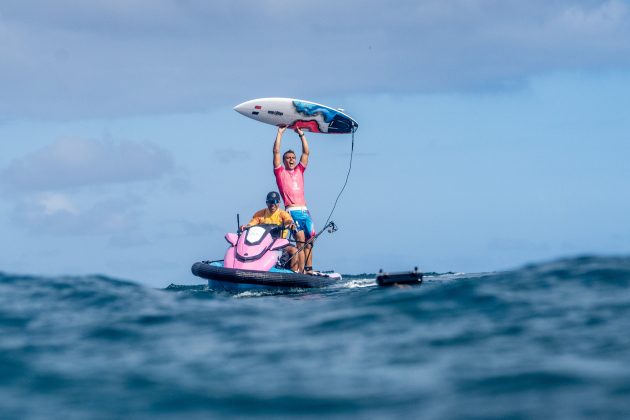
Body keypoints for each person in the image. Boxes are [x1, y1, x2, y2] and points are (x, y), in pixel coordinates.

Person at [273, 126, 316, 274]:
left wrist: (301, 134)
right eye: (288, 158)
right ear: (284, 161)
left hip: (305, 211)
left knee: (310, 242)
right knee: (301, 243)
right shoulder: (280, 173)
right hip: (292, 211)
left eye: (293, 158)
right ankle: (301, 272)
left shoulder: (299, 170)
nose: (291, 160)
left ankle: (309, 270)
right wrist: (280, 133)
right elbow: (276, 152)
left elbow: (306, 152)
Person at [240, 191, 304, 273]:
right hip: (263, 243)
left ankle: (294, 273)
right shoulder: (260, 214)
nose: (273, 204)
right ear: (266, 203)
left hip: (279, 243)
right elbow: (251, 224)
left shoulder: (283, 214)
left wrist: (288, 224)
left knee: (294, 250)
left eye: (275, 202)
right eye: (270, 202)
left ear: (279, 203)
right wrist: (245, 227)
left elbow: (289, 221)